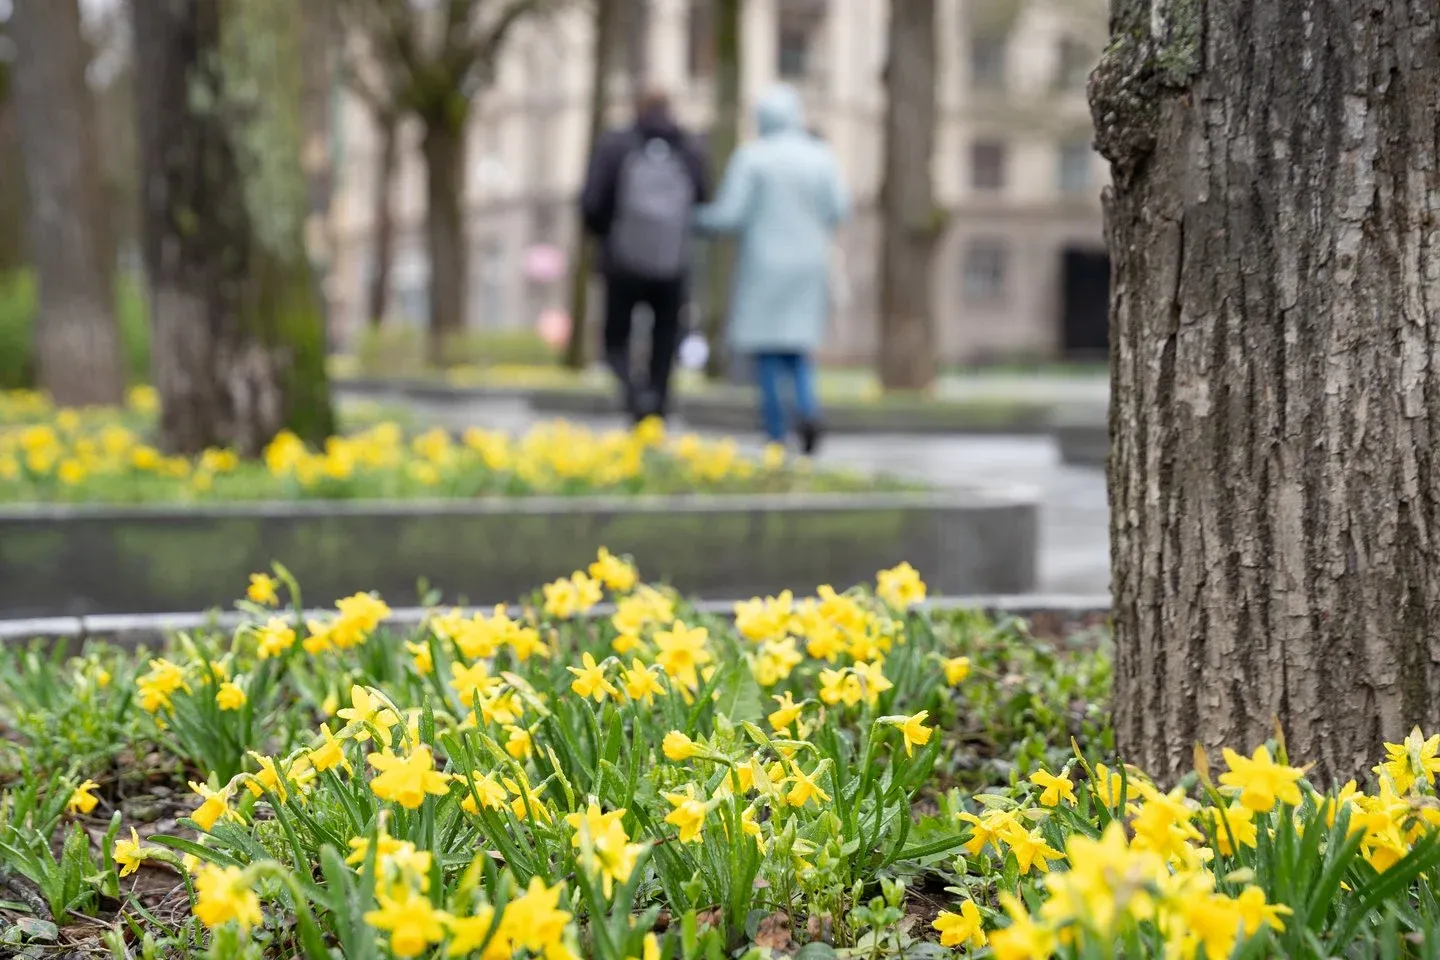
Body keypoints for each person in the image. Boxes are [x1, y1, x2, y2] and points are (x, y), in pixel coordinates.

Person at [694, 85, 850, 454]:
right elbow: (840, 209)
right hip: (809, 263)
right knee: (797, 349)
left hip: (764, 263)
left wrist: (696, 219)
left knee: (766, 353)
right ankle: (808, 410)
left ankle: (777, 432)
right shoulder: (821, 157)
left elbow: (729, 215)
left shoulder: (753, 158)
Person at [580, 88, 710, 422]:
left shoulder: (616, 144)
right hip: (672, 262)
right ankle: (658, 406)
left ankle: (635, 394)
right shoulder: (689, 147)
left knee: (616, 338)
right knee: (665, 337)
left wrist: (608, 235)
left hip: (623, 261)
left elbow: (593, 203)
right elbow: (703, 198)